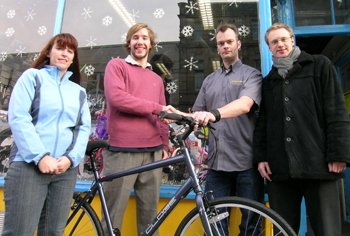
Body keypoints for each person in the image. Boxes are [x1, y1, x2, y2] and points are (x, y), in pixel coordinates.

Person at [253, 23, 350, 235]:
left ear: (292, 40)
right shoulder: (269, 81)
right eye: (274, 42)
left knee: (327, 229)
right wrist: (261, 157)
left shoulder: (319, 65)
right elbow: (263, 123)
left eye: (283, 39)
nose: (280, 44)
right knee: (283, 230)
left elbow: (336, 111)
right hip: (281, 170)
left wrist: (339, 153)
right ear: (269, 47)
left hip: (319, 164)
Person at [169, 23, 264, 235]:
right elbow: (198, 116)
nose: (225, 46)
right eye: (221, 43)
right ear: (218, 47)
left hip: (246, 163)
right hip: (217, 166)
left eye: (230, 42)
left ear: (238, 44)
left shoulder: (252, 75)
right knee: (215, 227)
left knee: (251, 226)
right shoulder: (209, 81)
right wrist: (177, 114)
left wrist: (214, 114)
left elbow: (245, 104)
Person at [4, 33, 91, 235]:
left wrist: (70, 159)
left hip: (64, 172)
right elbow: (18, 117)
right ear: (49, 51)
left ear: (73, 58)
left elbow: (83, 128)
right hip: (29, 168)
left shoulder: (78, 91)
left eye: (70, 51)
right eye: (60, 48)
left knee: (53, 232)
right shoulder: (32, 77)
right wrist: (40, 156)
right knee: (20, 231)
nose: (65, 54)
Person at [101, 23, 170, 236]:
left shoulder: (157, 79)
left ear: (151, 45)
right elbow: (118, 99)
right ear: (129, 43)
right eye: (135, 38)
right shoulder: (116, 66)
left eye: (145, 38)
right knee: (111, 219)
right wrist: (157, 109)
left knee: (150, 220)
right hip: (121, 152)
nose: (140, 42)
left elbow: (163, 117)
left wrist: (165, 146)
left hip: (153, 153)